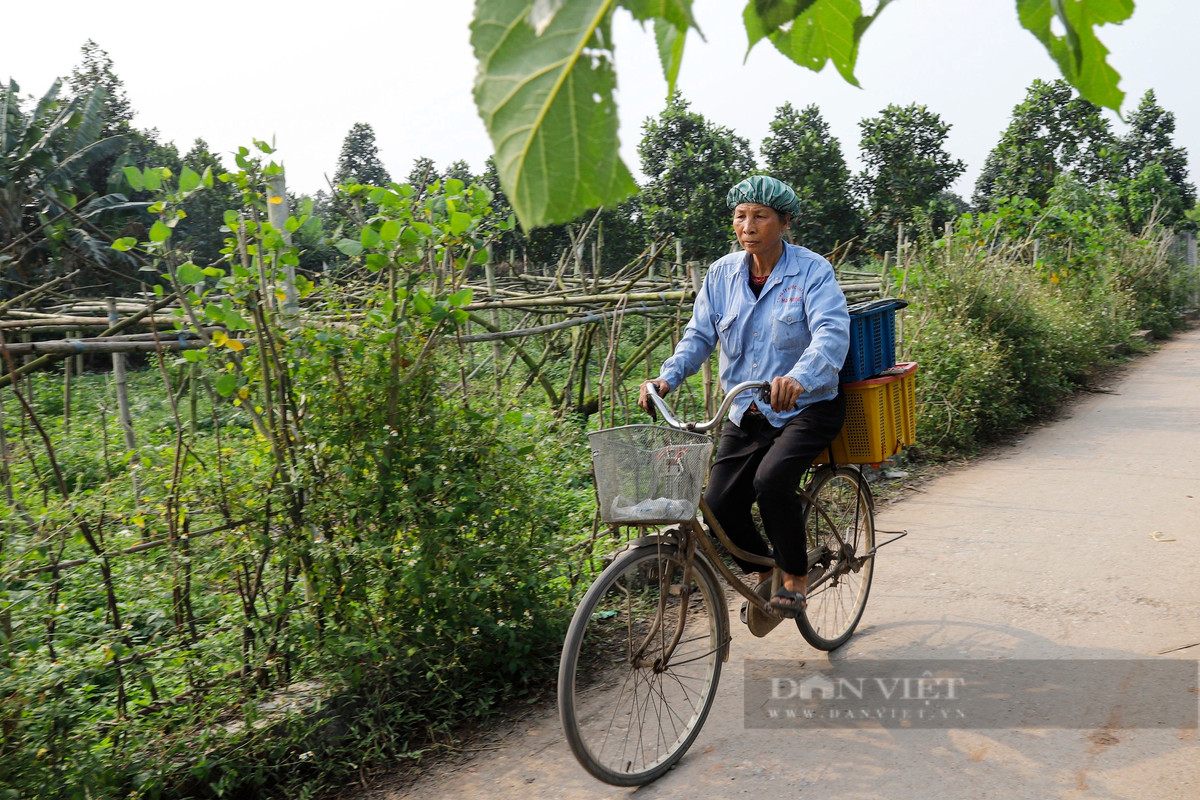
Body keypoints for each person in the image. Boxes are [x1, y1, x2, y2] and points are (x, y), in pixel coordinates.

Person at [638, 175, 849, 619]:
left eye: (760, 216)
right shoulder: (722, 274)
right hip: (746, 407)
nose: (747, 226)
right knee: (718, 506)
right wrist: (666, 378)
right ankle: (765, 569)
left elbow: (831, 333)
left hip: (806, 407)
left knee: (771, 482)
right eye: (740, 216)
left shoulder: (811, 271)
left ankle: (794, 576)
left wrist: (799, 376)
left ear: (784, 222)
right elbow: (699, 335)